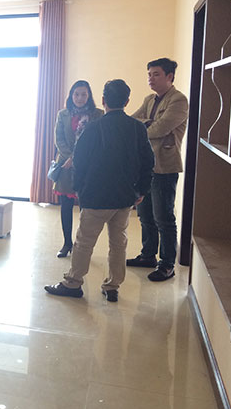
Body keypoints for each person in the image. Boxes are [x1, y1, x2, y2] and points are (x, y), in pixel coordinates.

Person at [44, 80, 154, 302]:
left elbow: (80, 162)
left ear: (103, 100)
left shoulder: (93, 128)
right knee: (119, 242)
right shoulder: (137, 128)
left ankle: (73, 283)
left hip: (96, 196)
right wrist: (141, 190)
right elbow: (148, 162)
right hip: (124, 196)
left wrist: (79, 189)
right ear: (127, 101)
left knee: (84, 242)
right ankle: (112, 286)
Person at [127, 58, 188, 282]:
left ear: (170, 76)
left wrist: (147, 124)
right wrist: (148, 122)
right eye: (149, 74)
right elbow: (133, 122)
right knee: (145, 214)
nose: (150, 79)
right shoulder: (149, 99)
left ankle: (167, 264)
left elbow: (161, 128)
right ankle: (148, 255)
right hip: (145, 166)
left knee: (163, 217)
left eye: (156, 74)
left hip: (165, 167)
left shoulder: (179, 100)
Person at [52, 81, 103, 257]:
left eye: (83, 94)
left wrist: (77, 158)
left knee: (86, 209)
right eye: (76, 94)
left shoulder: (98, 114)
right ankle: (67, 243)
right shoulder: (63, 114)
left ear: (89, 96)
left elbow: (97, 141)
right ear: (71, 95)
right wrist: (70, 157)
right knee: (65, 206)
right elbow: (59, 139)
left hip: (88, 166)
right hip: (66, 165)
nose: (80, 98)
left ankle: (82, 245)